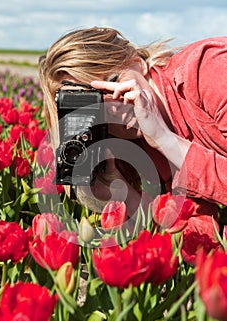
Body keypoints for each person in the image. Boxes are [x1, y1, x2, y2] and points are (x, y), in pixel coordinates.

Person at [39, 26, 227, 237]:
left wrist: (164, 139)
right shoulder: (141, 146)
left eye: (112, 82)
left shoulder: (209, 69)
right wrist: (123, 193)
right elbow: (195, 232)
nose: (112, 107)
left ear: (138, 63)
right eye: (92, 105)